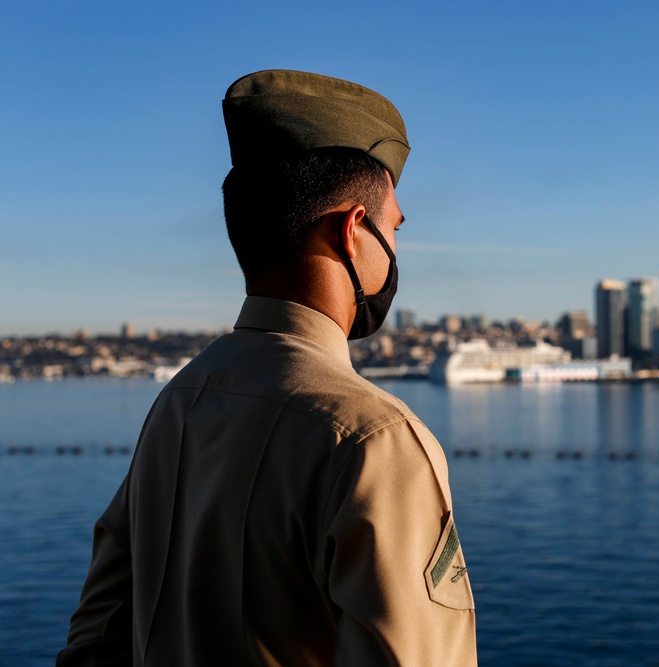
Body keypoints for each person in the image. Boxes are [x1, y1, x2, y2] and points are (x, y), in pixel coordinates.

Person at [57, 69, 477, 666]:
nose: (395, 249)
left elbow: (96, 639)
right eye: (393, 229)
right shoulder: (372, 438)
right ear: (354, 231)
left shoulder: (177, 401)